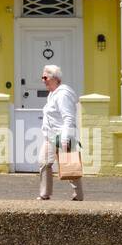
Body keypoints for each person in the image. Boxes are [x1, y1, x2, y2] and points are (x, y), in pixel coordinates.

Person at [38, 64, 83, 201]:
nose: (43, 80)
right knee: (44, 162)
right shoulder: (52, 94)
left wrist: (65, 138)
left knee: (69, 165)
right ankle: (45, 194)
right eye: (42, 77)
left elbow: (68, 117)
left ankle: (78, 195)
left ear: (54, 78)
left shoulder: (63, 95)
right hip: (51, 136)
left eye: (45, 77)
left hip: (63, 135)